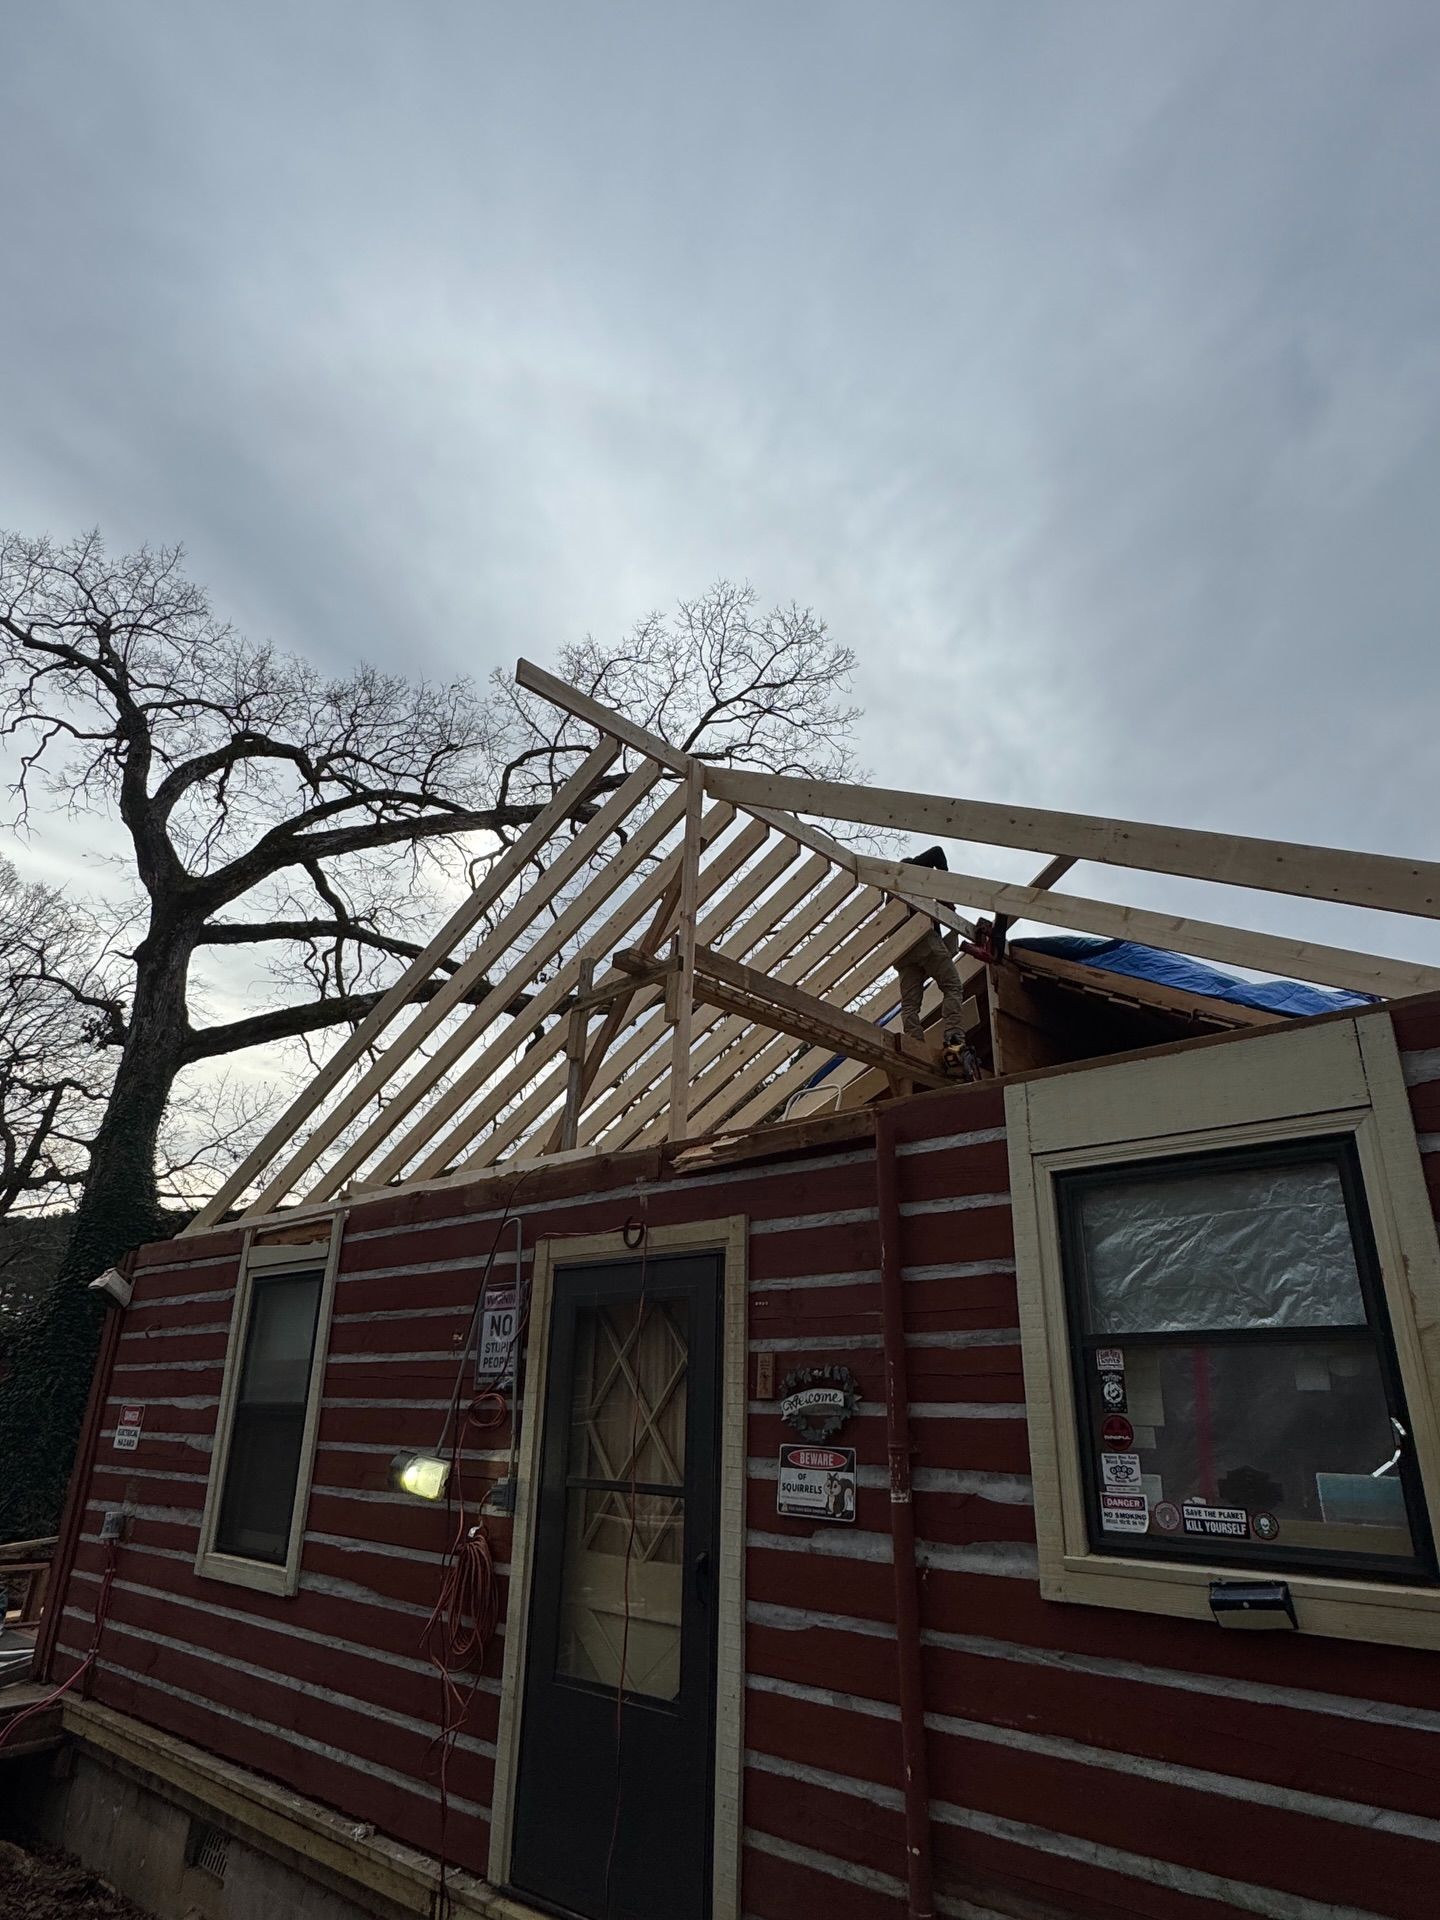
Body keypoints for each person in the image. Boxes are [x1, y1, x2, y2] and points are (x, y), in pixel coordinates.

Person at [895, 845, 969, 1047]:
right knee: (953, 987)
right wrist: (944, 893)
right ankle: (954, 1037)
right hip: (924, 941)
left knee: (910, 1005)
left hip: (902, 953)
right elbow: (937, 852)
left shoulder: (892, 899)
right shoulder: (907, 872)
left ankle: (915, 1045)